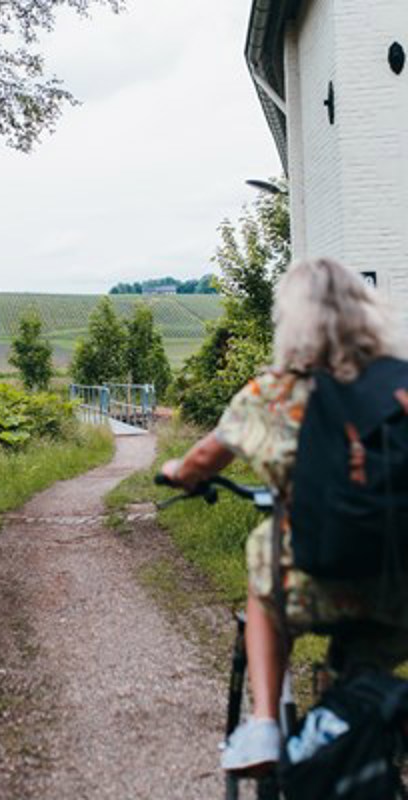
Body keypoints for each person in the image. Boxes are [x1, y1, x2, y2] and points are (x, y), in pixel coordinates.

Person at [162, 257, 408, 773]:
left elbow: (203, 460)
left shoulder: (272, 394)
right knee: (366, 676)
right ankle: (365, 719)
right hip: (396, 588)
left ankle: (264, 726)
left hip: (306, 587)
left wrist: (178, 471)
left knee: (264, 566)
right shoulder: (399, 388)